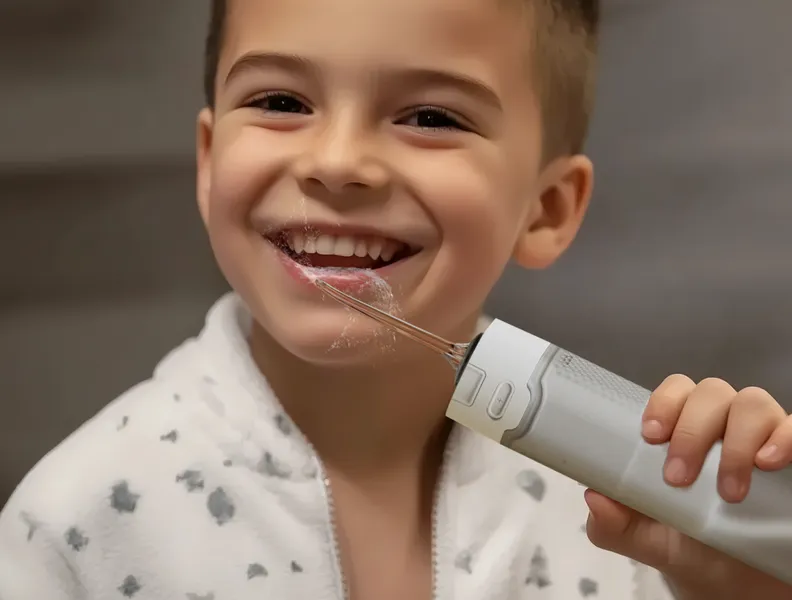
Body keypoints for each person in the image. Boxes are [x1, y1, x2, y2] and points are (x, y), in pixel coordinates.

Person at [1, 0, 790, 598]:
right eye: (280, 102)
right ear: (209, 163)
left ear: (546, 209)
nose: (339, 162)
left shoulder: (637, 529)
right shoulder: (77, 527)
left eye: (431, 117)